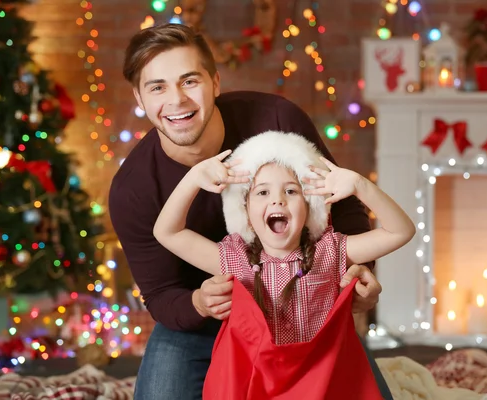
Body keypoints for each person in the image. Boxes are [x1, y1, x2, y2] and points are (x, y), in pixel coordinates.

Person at [109, 23, 393, 399]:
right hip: (207, 314)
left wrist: (360, 278)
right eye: (157, 87)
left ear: (214, 83)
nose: (176, 100)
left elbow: (345, 207)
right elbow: (161, 294)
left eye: (189, 81)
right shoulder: (133, 190)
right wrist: (198, 302)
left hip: (302, 308)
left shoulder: (276, 120)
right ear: (140, 98)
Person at [153, 131, 415, 398]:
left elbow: (401, 231)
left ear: (310, 206)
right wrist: (193, 178)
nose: (277, 200)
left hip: (322, 384)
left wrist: (360, 185)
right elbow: (167, 232)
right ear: (245, 211)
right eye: (262, 192)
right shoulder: (234, 258)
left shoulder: (331, 251)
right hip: (256, 387)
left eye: (291, 190)